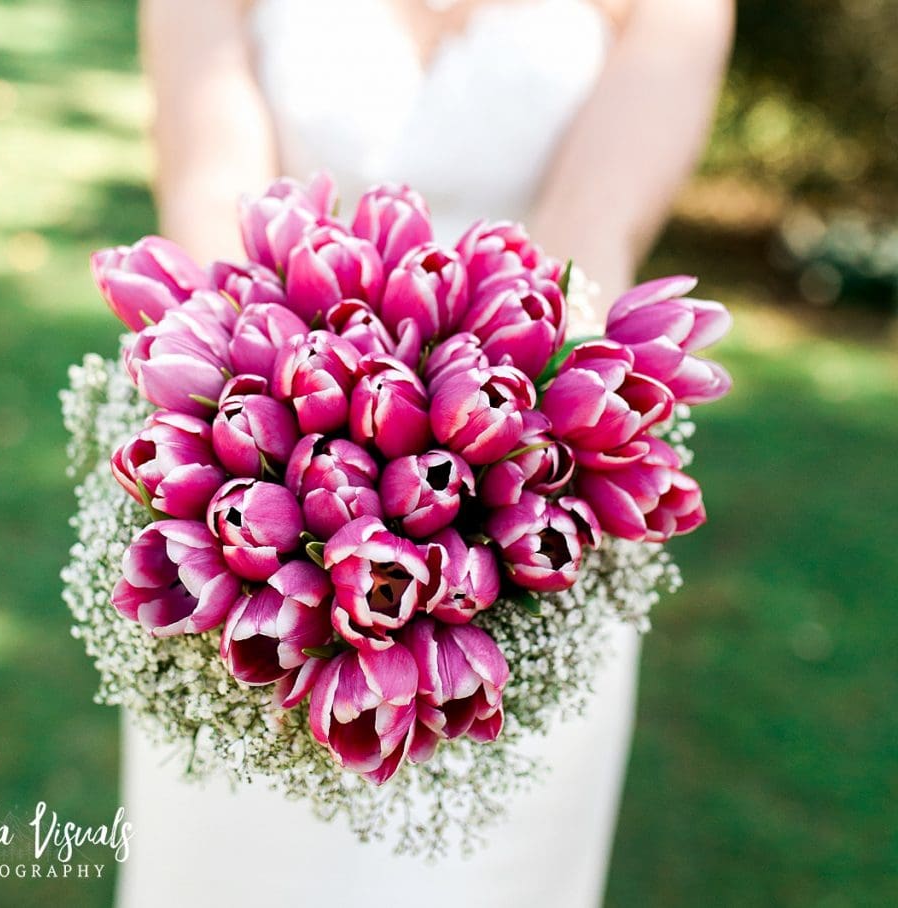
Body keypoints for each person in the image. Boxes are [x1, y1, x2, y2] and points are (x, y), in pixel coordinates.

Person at [118, 2, 733, 906]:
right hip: (266, 452)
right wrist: (290, 449)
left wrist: (494, 461)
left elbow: (589, 237)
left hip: (527, 485)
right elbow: (212, 198)